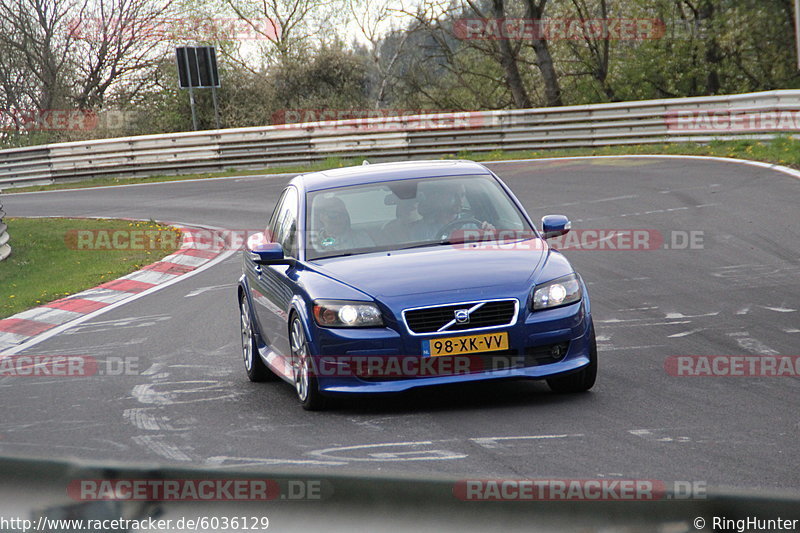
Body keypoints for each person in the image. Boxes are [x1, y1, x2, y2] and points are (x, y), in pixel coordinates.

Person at [410, 182, 494, 241]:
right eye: (454, 195)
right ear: (440, 198)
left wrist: (490, 235)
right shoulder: (423, 229)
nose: (460, 201)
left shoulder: (472, 225)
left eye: (462, 195)